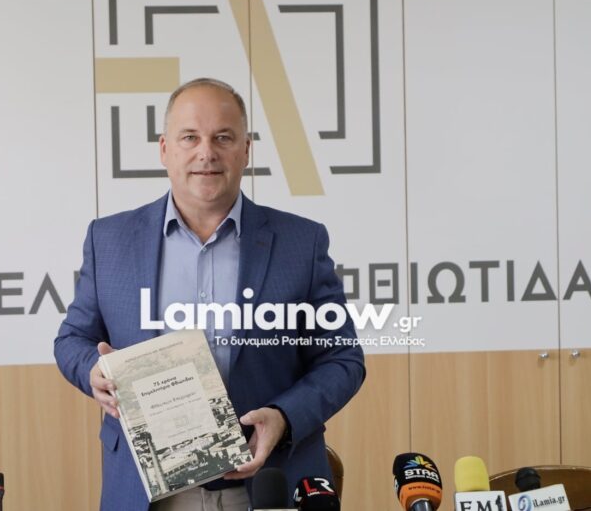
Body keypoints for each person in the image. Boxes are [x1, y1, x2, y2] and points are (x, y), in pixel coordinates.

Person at [54, 78, 365, 510]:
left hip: (268, 484)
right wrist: (92, 369)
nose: (207, 153)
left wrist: (283, 417)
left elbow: (342, 359)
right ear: (165, 149)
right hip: (149, 494)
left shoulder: (301, 242)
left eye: (223, 137)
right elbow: (72, 339)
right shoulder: (109, 240)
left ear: (246, 150)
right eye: (190, 137)